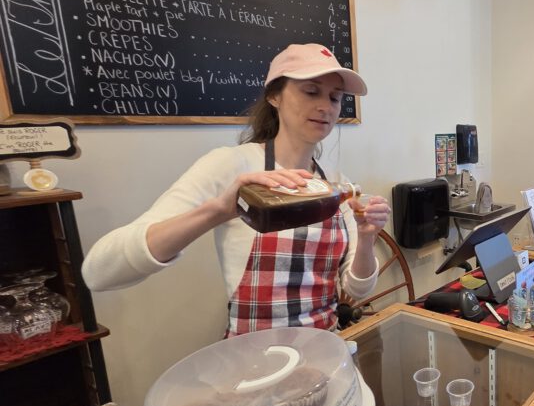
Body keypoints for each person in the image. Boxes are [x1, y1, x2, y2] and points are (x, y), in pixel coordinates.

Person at [83, 43, 391, 336]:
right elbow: (98, 273)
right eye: (311, 91)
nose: (325, 107)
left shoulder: (335, 183)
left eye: (335, 98)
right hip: (253, 355)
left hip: (325, 348)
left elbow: (357, 288)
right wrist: (219, 210)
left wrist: (366, 238)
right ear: (274, 96)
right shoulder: (231, 166)